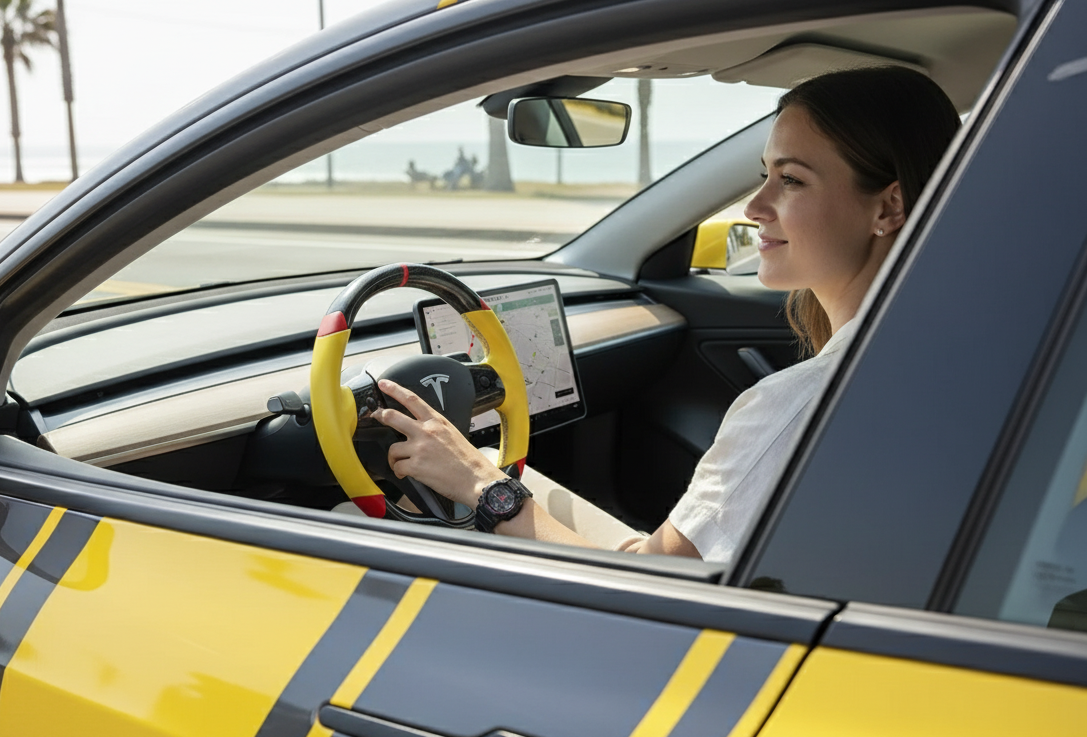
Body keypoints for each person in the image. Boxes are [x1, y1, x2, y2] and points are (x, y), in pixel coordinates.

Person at [375, 66, 962, 561]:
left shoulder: (802, 403)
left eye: (790, 180)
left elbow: (648, 589)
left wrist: (481, 489)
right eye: (764, 175)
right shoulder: (947, 353)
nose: (755, 206)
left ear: (888, 207)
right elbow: (655, 558)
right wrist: (485, 471)